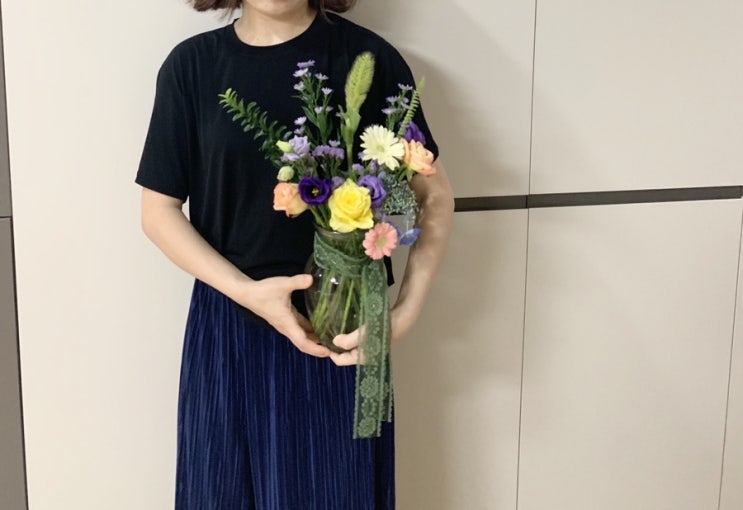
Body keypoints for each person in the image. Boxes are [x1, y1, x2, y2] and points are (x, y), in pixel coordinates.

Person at [136, 0, 454, 508]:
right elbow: (158, 212)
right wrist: (247, 293)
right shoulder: (191, 66)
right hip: (228, 331)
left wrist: (403, 314)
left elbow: (432, 196)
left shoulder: (367, 58)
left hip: (339, 331)